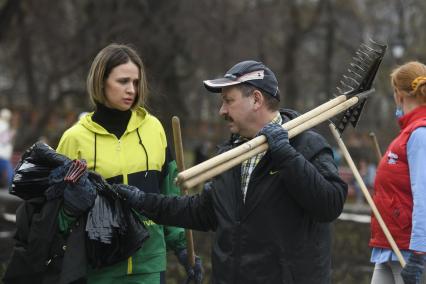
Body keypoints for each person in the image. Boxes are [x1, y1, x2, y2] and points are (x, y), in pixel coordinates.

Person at [116, 60, 348, 283]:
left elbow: (330, 204)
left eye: (228, 101)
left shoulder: (307, 145)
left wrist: (285, 154)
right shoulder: (230, 155)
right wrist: (142, 202)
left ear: (256, 99)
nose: (221, 111)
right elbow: (202, 211)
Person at [56, 43, 202, 283]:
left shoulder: (153, 128)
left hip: (149, 266)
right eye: (123, 81)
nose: (131, 89)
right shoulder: (74, 139)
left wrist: (183, 248)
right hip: (98, 267)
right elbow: (58, 211)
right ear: (101, 81)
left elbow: (170, 193)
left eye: (136, 82)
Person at [369, 61, 426, 284]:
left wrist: (420, 252)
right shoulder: (407, 134)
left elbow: (424, 196)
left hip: (410, 250)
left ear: (399, 93)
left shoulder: (420, 134)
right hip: (389, 246)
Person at [0, 108, 15, 188]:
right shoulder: (5, 126)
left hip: (3, 154)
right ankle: (11, 187)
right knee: (9, 171)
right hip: (3, 154)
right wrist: (11, 134)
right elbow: (4, 140)